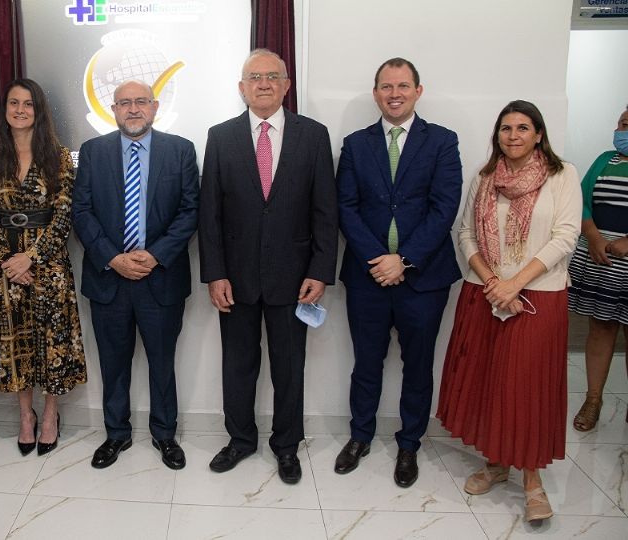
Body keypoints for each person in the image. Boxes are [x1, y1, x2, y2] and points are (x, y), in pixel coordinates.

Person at [437, 100, 580, 523]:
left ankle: (532, 481)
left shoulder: (562, 175)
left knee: (527, 387)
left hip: (539, 298)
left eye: (522, 128)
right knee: (488, 381)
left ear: (539, 134)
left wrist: (515, 283)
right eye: (505, 128)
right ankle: (496, 463)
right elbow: (465, 233)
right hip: (484, 293)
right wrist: (494, 281)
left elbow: (566, 236)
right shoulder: (485, 179)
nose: (512, 136)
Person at [198, 49, 337, 485]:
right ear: (241, 87)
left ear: (286, 85)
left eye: (272, 76)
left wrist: (319, 270)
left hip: (295, 278)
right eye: (254, 77)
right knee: (238, 365)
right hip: (234, 279)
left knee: (288, 366)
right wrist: (215, 273)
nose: (263, 84)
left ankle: (286, 446)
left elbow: (325, 212)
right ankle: (240, 440)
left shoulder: (313, 136)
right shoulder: (220, 137)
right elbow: (210, 215)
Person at [334, 58, 463, 488]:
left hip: (424, 278)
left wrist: (404, 259)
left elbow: (444, 208)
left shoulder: (442, 142)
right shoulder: (355, 144)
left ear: (417, 91)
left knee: (418, 364)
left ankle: (409, 443)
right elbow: (346, 208)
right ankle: (360, 436)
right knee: (366, 362)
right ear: (375, 93)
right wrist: (378, 259)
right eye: (386, 86)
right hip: (367, 275)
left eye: (403, 86)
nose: (394, 93)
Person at [73, 78, 197, 470]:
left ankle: (165, 435)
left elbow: (189, 210)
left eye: (140, 102)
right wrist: (113, 258)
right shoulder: (93, 152)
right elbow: (82, 211)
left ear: (155, 106)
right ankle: (116, 435)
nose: (132, 109)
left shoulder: (180, 150)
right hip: (109, 279)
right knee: (113, 363)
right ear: (113, 109)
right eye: (124, 103)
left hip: (160, 279)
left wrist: (154, 255)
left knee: (163, 363)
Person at [0, 78, 86, 457]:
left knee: (51, 345)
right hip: (6, 269)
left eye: (28, 104)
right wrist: (8, 261)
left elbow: (64, 216)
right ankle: (26, 416)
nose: (20, 110)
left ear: (39, 112)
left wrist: (33, 258)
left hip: (49, 266)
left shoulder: (59, 157)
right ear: (5, 109)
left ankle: (52, 415)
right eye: (13, 103)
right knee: (16, 347)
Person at [567, 105, 628, 431]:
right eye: (622, 123)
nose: (624, 131)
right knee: (600, 329)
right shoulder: (606, 160)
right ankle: (593, 400)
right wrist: (592, 236)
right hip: (600, 260)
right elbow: (582, 199)